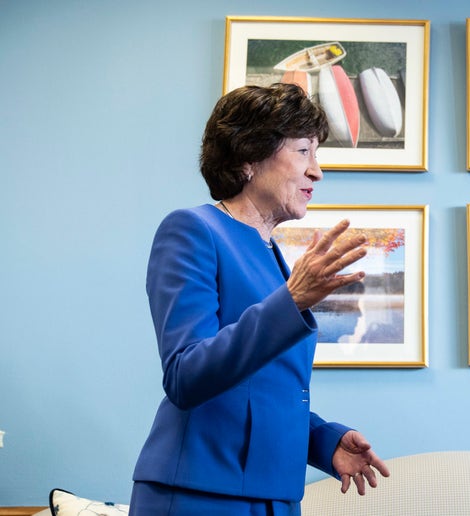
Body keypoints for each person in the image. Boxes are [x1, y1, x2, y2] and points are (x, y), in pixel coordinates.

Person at [130, 83, 389, 515]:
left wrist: (326, 442)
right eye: (304, 151)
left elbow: (261, 392)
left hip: (275, 497)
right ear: (249, 156)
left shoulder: (272, 255)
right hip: (201, 494)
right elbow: (185, 375)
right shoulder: (192, 231)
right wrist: (290, 301)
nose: (317, 172)